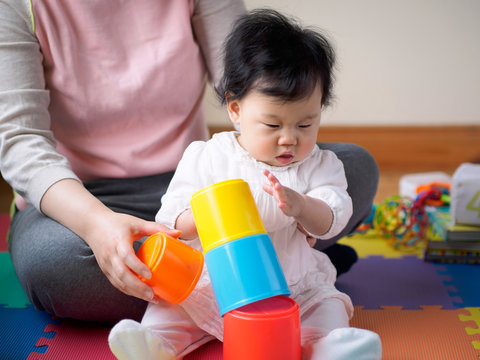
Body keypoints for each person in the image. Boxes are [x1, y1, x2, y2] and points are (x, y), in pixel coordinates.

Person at [0, 0, 377, 325]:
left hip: (207, 186)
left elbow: (251, 78)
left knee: (354, 168)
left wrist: (305, 202)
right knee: (51, 265)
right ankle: (281, 275)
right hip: (85, 199)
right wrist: (98, 226)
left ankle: (226, 282)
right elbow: (20, 139)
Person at [108, 9, 382, 359]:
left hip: (292, 287)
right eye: (272, 125)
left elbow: (334, 214)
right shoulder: (208, 155)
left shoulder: (320, 164)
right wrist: (205, 215)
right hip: (214, 284)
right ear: (236, 110)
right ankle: (153, 345)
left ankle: (328, 349)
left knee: (327, 307)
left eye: (305, 125)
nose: (289, 140)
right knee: (171, 307)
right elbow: (171, 214)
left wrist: (301, 206)